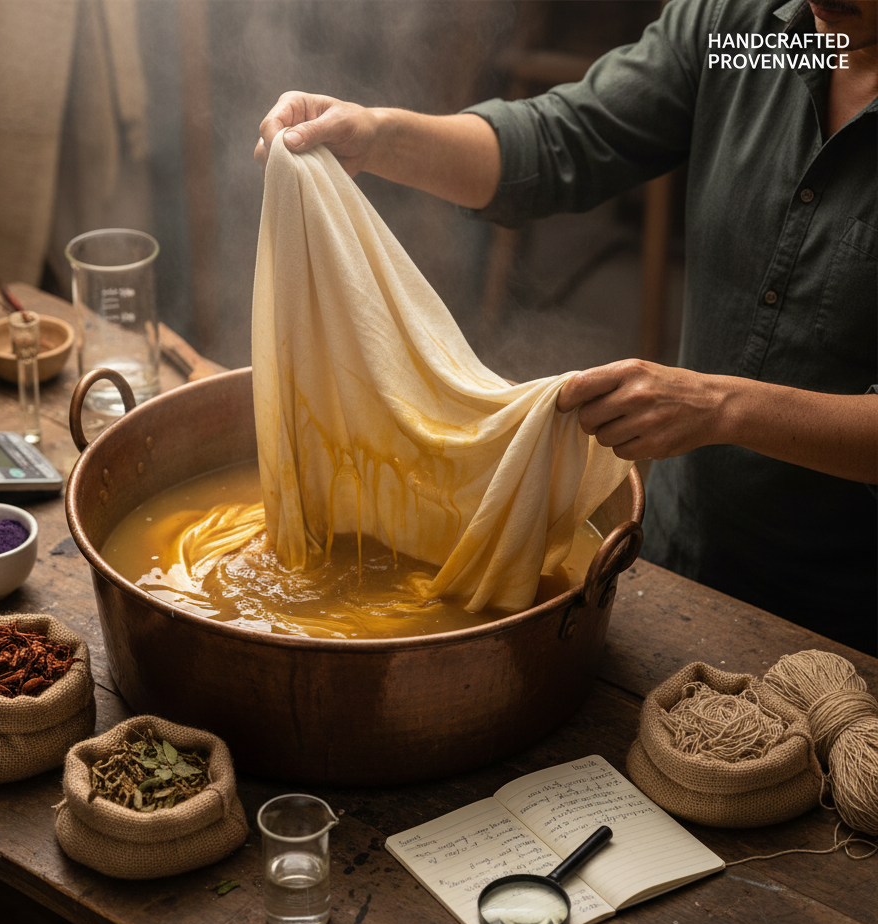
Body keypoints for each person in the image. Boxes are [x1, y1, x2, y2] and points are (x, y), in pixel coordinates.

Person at [255, 0, 878, 655]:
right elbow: (565, 138)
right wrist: (378, 137)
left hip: (846, 620)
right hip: (674, 561)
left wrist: (721, 408)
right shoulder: (755, 34)